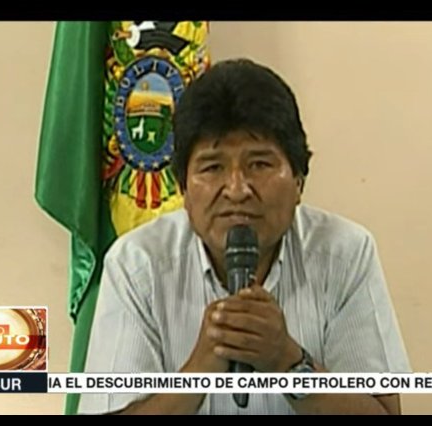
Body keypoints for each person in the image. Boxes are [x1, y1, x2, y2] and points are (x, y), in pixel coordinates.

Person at [78, 58, 411, 415]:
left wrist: (287, 361)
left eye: (260, 164)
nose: (237, 190)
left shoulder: (345, 254)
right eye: (213, 167)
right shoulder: (137, 265)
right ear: (183, 189)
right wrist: (198, 373)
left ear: (299, 180)